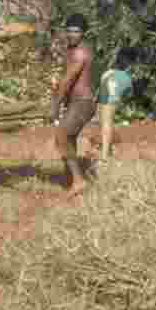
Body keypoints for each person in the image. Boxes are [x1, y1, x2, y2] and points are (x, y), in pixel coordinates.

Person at [51, 13, 95, 197]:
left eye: (76, 31)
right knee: (68, 138)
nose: (72, 34)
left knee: (61, 135)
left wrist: (54, 106)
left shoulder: (80, 52)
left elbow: (67, 81)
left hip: (83, 103)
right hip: (75, 102)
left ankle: (78, 181)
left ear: (83, 33)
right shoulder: (70, 50)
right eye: (69, 31)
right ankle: (71, 177)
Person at [97, 48, 135, 164]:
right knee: (108, 124)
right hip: (114, 100)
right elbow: (129, 93)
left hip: (104, 99)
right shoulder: (127, 78)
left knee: (105, 124)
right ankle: (106, 153)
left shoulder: (107, 73)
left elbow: (101, 86)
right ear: (129, 65)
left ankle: (105, 155)